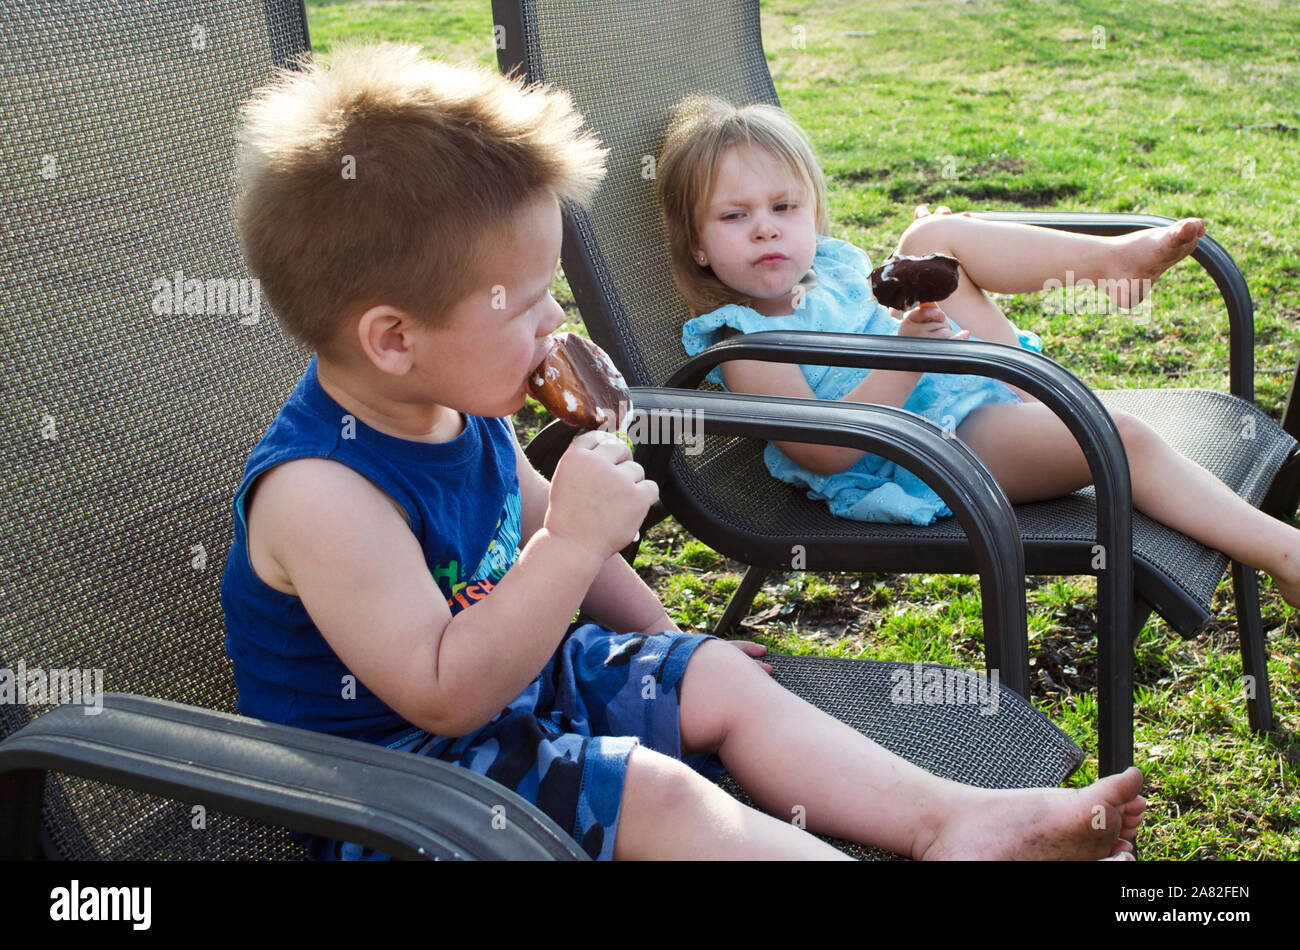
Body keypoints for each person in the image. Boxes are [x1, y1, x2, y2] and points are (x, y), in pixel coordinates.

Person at [220, 41, 1146, 861]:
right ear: (393, 338)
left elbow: (535, 517)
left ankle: (953, 822)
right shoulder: (323, 492)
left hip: (527, 683)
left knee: (710, 675)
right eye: (527, 304)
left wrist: (670, 647)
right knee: (654, 794)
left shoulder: (455, 405)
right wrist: (575, 548)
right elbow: (442, 695)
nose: (556, 322)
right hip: (405, 787)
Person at [658, 94, 1300, 607]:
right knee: (1119, 439)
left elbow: (888, 312)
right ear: (698, 246)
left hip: (957, 382)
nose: (767, 225)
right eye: (734, 217)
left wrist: (921, 303)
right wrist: (906, 357)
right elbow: (825, 451)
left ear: (812, 212)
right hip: (928, 448)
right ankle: (1285, 554)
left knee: (931, 234)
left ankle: (1110, 263)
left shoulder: (831, 268)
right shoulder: (745, 340)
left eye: (783, 206)